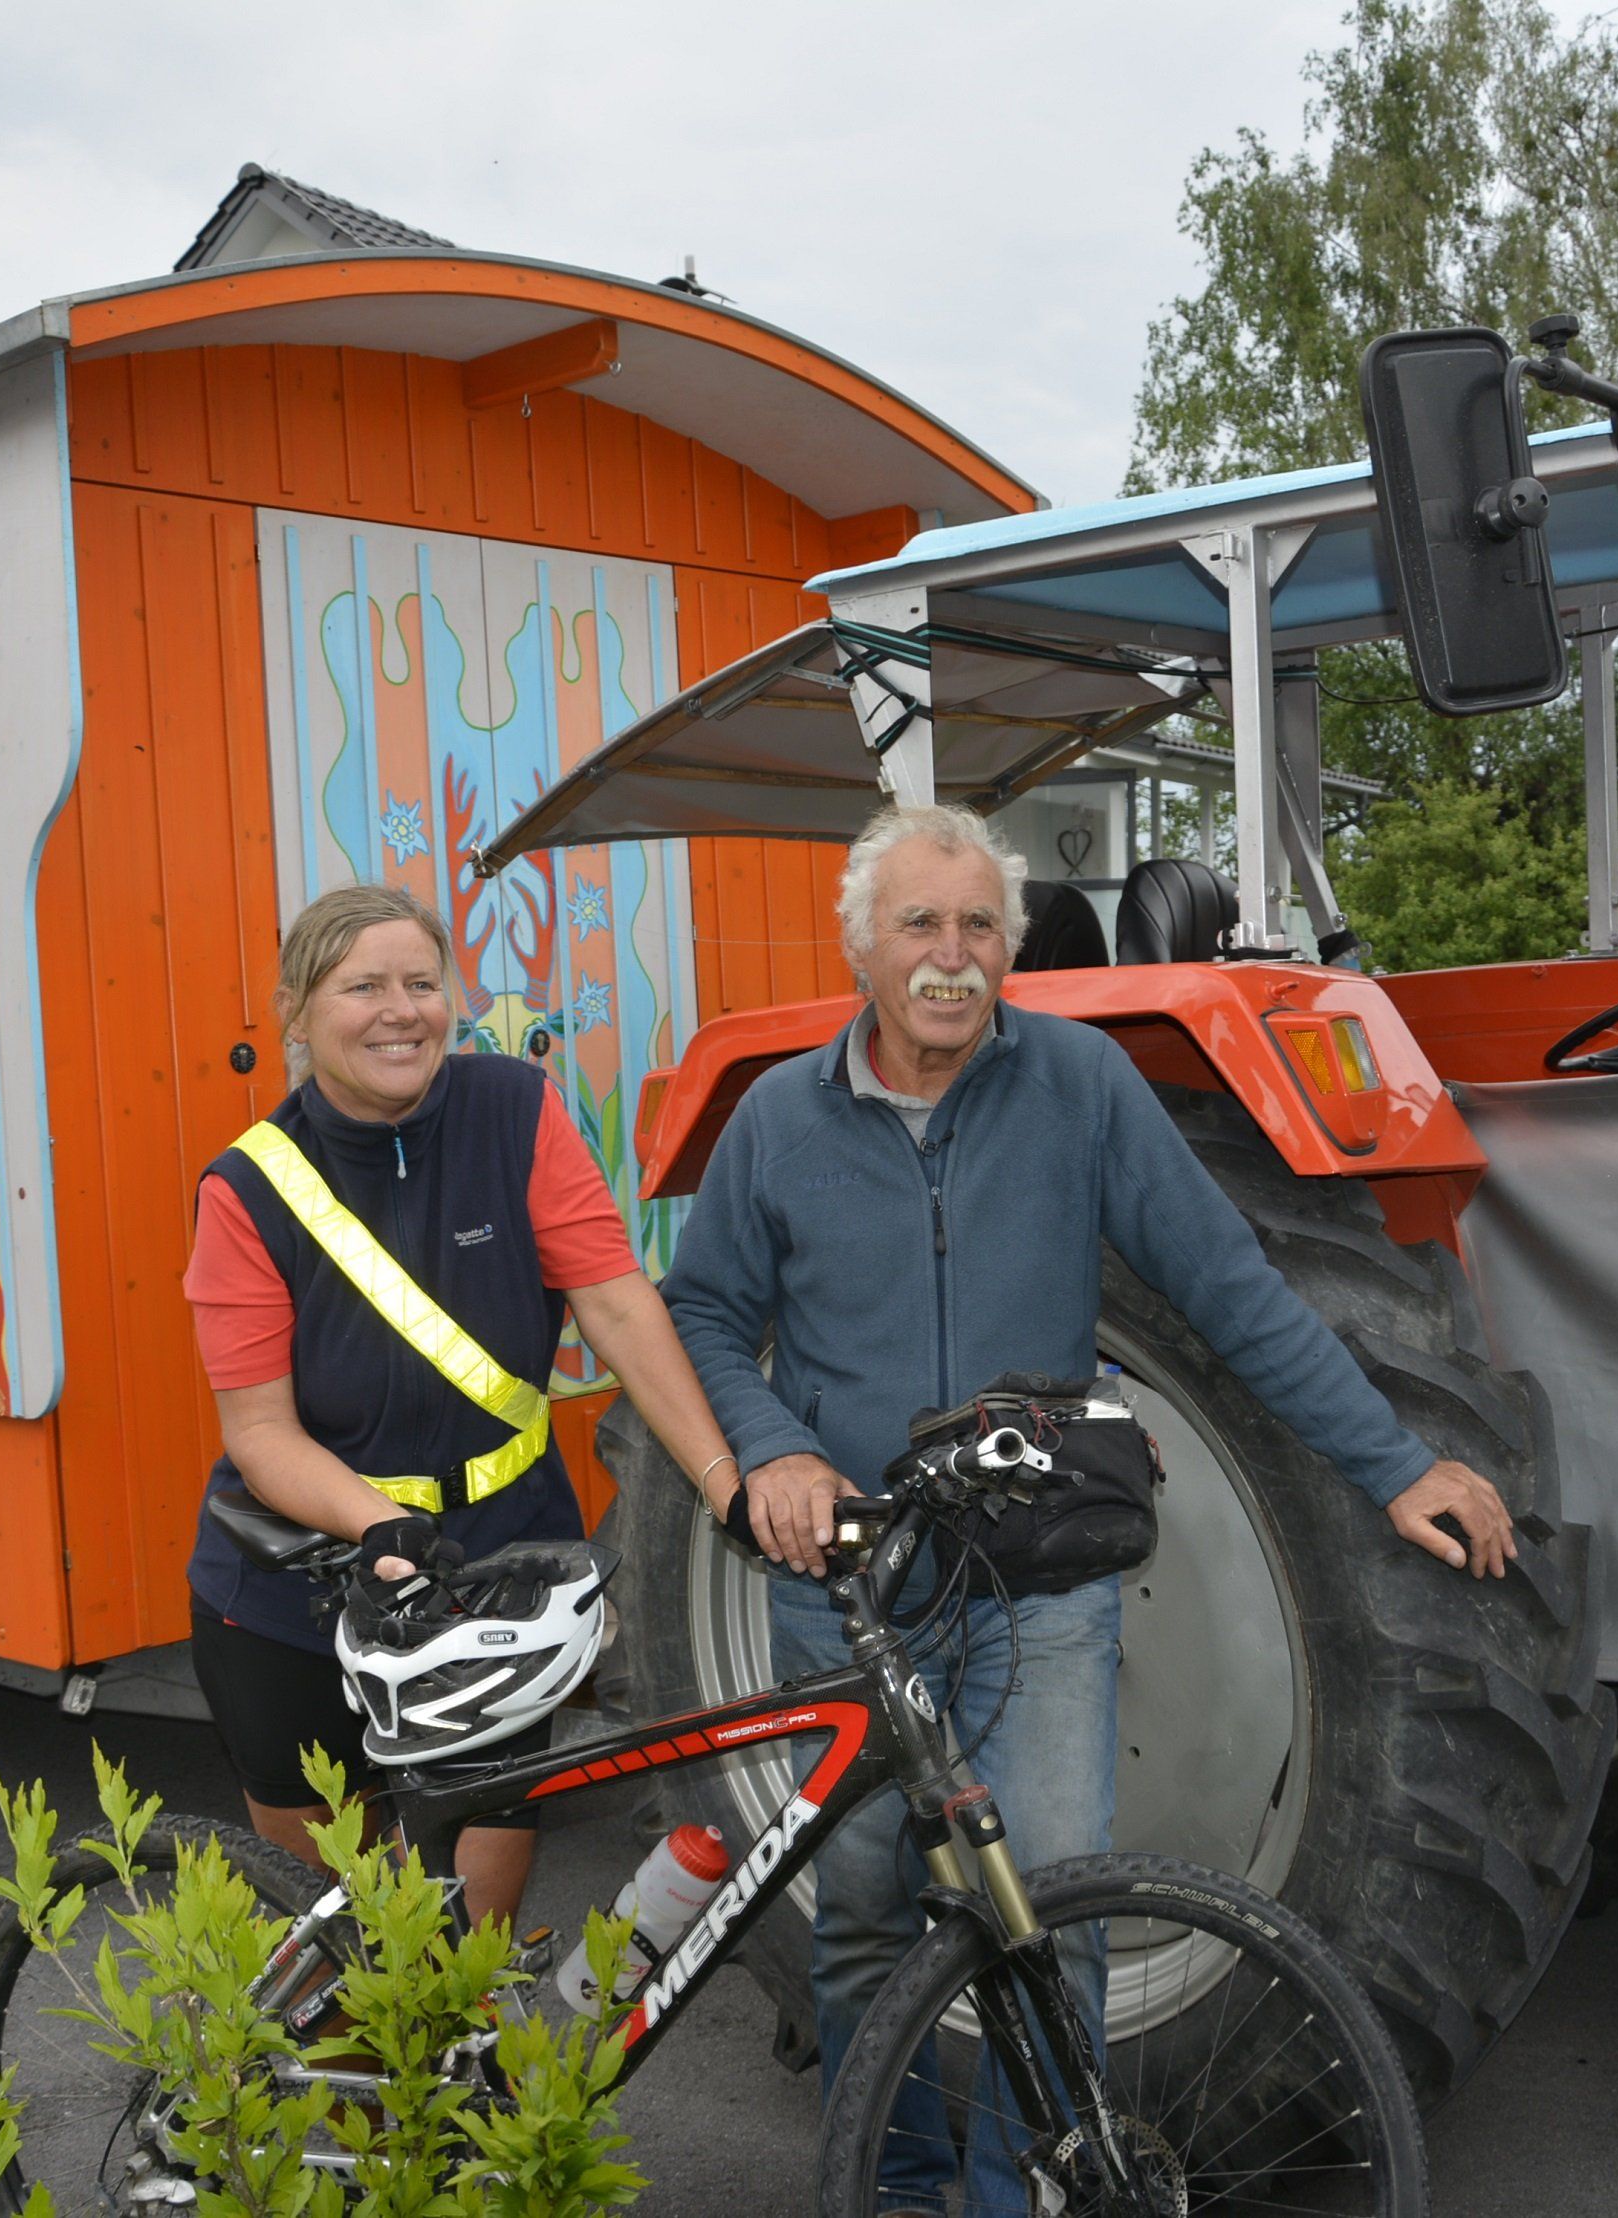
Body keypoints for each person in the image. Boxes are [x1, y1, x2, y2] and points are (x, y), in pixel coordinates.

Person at [659, 801, 1513, 2214]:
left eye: (978, 924)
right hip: (853, 1586)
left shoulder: (1080, 1085)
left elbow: (1230, 1288)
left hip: (1036, 1575)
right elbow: (699, 1314)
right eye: (919, 924)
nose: (950, 954)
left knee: (1054, 1904)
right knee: (863, 1910)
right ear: (861, 944)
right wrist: (770, 1451)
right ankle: (891, 2183)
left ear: (1011, 944)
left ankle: (1024, 2198)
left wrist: (1392, 1460)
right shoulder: (778, 1120)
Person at [182, 882, 740, 1924]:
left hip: (497, 1585)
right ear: (296, 1013)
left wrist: (723, 1481)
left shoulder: (514, 1111)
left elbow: (618, 1305)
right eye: (363, 987)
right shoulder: (247, 1188)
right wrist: (380, 1526)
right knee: (338, 1943)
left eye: (422, 983)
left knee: (461, 1951)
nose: (401, 1011)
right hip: (297, 1601)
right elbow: (259, 1432)